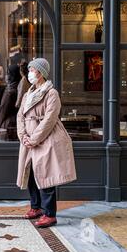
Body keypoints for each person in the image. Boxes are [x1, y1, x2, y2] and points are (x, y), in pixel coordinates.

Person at [16, 58, 77, 228]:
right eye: (29, 69)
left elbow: (50, 119)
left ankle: (50, 214)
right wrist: (23, 136)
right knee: (30, 176)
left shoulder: (52, 93)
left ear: (41, 73)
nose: (29, 73)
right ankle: (36, 208)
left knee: (46, 176)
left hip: (45, 140)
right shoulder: (28, 94)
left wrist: (34, 139)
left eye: (32, 70)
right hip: (28, 139)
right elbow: (20, 116)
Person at [0, 63, 22, 139]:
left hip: (9, 126)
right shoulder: (20, 87)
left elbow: (3, 109)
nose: (7, 76)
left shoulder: (10, 91)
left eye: (8, 73)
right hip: (19, 124)